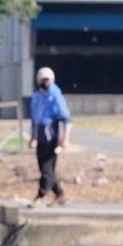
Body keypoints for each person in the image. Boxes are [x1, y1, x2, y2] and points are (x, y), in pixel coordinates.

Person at [29, 65, 70, 205]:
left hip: (51, 136)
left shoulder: (55, 95)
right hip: (40, 136)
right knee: (45, 168)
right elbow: (34, 119)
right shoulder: (36, 97)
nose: (44, 83)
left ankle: (42, 194)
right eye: (42, 80)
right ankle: (59, 193)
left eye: (47, 80)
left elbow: (66, 118)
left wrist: (65, 138)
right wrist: (33, 137)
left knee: (47, 167)